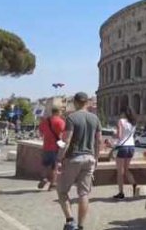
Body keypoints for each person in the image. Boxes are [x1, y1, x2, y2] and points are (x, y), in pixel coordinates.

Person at [56, 92, 102, 230]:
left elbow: (67, 140)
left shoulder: (71, 118)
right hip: (89, 158)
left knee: (62, 191)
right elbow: (99, 141)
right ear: (87, 102)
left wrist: (59, 158)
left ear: (75, 102)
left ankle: (70, 221)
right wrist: (96, 157)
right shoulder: (95, 118)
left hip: (73, 158)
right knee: (83, 193)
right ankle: (81, 226)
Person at [37, 107, 66, 191]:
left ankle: (43, 178)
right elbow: (64, 134)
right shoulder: (60, 121)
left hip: (46, 146)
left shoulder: (45, 121)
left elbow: (41, 132)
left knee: (45, 165)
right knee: (54, 167)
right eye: (61, 111)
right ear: (58, 112)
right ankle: (53, 184)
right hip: (55, 147)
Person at [112, 107, 137, 200]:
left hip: (122, 147)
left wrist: (113, 134)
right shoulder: (133, 123)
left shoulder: (121, 121)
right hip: (131, 146)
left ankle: (121, 192)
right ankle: (134, 183)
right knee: (126, 169)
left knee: (120, 172)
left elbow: (119, 135)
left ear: (124, 113)